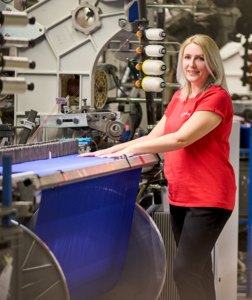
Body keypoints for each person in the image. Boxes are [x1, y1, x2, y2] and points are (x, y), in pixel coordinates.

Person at [79, 34, 236, 300]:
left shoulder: (216, 97)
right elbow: (153, 138)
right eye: (187, 57)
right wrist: (112, 150)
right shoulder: (179, 97)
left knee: (185, 271)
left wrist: (129, 150)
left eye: (200, 58)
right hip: (181, 195)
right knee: (199, 270)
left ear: (212, 64)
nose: (192, 64)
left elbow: (180, 139)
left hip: (209, 197)